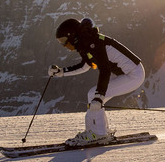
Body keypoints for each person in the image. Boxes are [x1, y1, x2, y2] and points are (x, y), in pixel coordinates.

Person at [48, 17, 145, 145]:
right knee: (92, 95)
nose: (64, 45)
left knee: (94, 96)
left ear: (72, 36)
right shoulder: (86, 43)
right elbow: (84, 66)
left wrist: (99, 96)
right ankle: (97, 132)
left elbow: (104, 70)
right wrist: (61, 72)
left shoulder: (94, 44)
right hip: (123, 73)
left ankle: (99, 134)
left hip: (133, 75)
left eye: (64, 41)